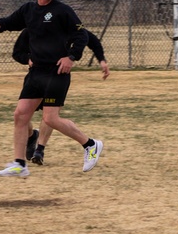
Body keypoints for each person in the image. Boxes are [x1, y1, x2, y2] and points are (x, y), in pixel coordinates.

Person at [0, 0, 104, 177]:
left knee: (50, 118)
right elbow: (10, 21)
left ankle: (90, 144)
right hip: (36, 73)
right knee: (20, 115)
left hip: (56, 72)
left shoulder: (62, 10)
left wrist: (71, 57)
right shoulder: (29, 10)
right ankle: (19, 164)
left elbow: (81, 35)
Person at [12, 28, 110, 166]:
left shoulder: (67, 25)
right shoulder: (32, 26)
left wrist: (102, 60)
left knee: (50, 115)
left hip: (57, 76)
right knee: (21, 115)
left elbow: (91, 40)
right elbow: (17, 53)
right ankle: (31, 136)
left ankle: (40, 149)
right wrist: (28, 60)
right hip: (35, 77)